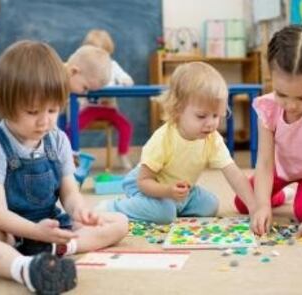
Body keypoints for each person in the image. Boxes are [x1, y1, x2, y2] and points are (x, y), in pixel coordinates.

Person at [0, 41, 129, 294]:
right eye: (32, 111)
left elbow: (69, 193)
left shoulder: (57, 139)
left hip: (50, 226)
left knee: (119, 222)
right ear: (6, 103)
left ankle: (57, 249)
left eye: (52, 110)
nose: (45, 120)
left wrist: (80, 211)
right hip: (7, 232)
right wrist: (33, 231)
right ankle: (23, 267)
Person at [97, 62, 256, 224]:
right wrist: (167, 192)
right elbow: (143, 181)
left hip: (179, 188)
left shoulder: (212, 138)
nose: (210, 123)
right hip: (148, 184)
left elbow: (234, 174)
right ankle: (112, 207)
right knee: (164, 214)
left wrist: (254, 207)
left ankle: (173, 206)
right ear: (178, 110)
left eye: (216, 116)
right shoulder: (163, 138)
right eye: (201, 116)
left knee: (210, 206)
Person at [234, 25, 302, 243]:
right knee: (244, 202)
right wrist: (263, 205)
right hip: (282, 168)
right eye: (282, 94)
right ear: (271, 77)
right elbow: (265, 162)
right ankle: (284, 194)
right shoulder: (267, 107)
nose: (291, 105)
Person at [81, 29, 134, 170]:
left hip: (109, 109)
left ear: (108, 52)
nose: (98, 57)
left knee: (126, 126)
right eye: (94, 53)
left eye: (102, 53)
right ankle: (69, 155)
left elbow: (126, 78)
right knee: (71, 127)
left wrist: (125, 80)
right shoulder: (85, 67)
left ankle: (123, 154)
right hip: (91, 109)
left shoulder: (113, 66)